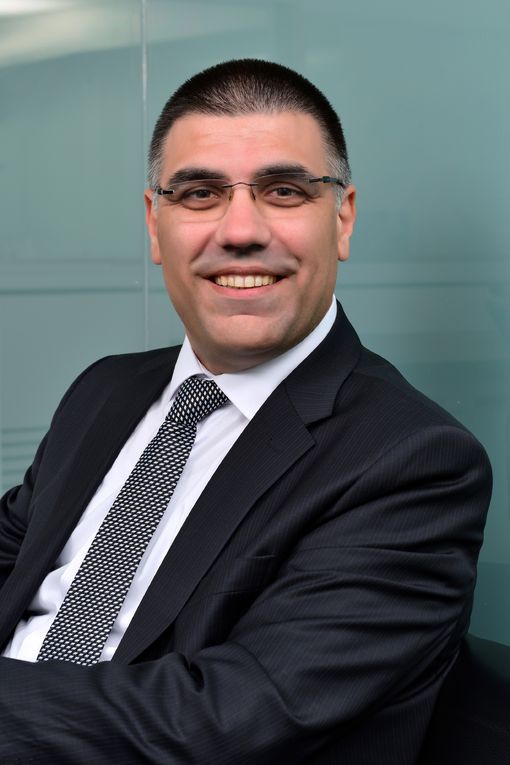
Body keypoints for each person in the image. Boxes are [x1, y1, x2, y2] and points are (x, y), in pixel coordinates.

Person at [0, 59, 492, 764]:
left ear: (342, 218)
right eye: (199, 193)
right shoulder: (104, 390)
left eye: (284, 191)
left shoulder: (414, 461)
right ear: (155, 223)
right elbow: (12, 554)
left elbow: (224, 722)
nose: (239, 231)